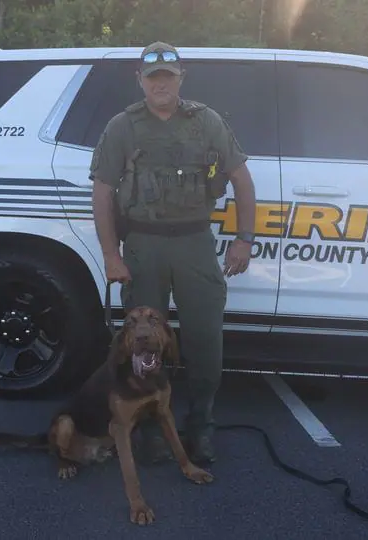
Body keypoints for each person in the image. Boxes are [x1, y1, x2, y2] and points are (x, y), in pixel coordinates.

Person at [89, 41, 257, 464]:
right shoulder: (122, 127)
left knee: (204, 339)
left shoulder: (207, 122)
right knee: (141, 344)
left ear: (181, 77)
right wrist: (111, 255)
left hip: (196, 244)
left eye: (168, 77)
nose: (160, 84)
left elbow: (241, 179)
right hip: (143, 246)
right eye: (152, 78)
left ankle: (200, 426)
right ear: (140, 81)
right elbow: (103, 193)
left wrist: (244, 239)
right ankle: (147, 427)